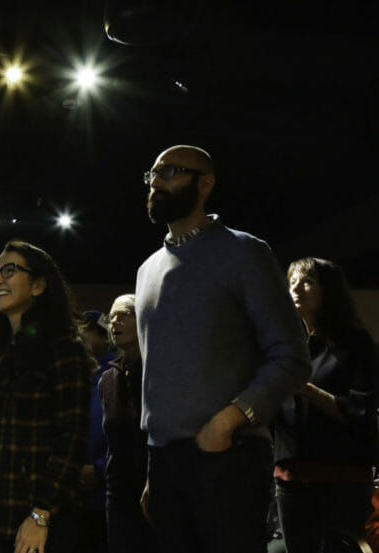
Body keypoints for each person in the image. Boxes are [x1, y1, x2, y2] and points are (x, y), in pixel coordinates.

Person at [135, 145, 311, 553]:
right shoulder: (147, 270)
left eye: (170, 172)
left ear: (205, 184)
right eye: (152, 174)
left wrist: (229, 421)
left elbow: (291, 356)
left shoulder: (244, 252)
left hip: (227, 455)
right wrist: (155, 467)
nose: (156, 181)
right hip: (164, 460)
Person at [0, 240, 92, 553]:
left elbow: (71, 438)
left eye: (9, 270)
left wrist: (41, 513)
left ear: (39, 285)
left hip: (38, 518)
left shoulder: (63, 347)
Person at [274, 257, 379, 552]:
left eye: (307, 281)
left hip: (341, 479)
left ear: (329, 290)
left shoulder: (355, 343)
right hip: (291, 478)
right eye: (292, 281)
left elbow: (360, 411)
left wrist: (306, 389)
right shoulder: (286, 344)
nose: (296, 288)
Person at [99, 295, 157, 553]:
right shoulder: (107, 380)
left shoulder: (159, 373)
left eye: (124, 314)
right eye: (111, 317)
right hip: (118, 493)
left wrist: (154, 480)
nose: (114, 321)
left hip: (156, 488)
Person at [74, 310, 115, 553]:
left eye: (86, 331)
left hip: (105, 489)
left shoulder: (117, 373)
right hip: (73, 490)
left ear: (103, 335)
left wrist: (99, 467)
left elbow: (125, 431)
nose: (79, 337)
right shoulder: (76, 372)